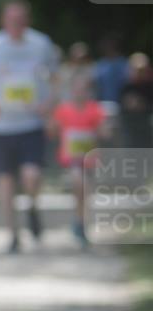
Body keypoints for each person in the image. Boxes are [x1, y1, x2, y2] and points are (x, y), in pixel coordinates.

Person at [0, 0, 59, 252]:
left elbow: (56, 77)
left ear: (28, 20)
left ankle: (33, 206)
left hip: (31, 122)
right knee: (4, 181)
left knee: (31, 176)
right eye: (12, 20)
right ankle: (12, 233)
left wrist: (49, 103)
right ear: (3, 21)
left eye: (21, 19)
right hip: (1, 126)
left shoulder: (41, 44)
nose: (16, 24)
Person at [50, 72, 109, 247]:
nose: (80, 93)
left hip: (89, 158)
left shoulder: (95, 109)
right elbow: (52, 130)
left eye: (84, 90)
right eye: (77, 90)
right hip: (71, 158)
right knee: (79, 183)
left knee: (86, 191)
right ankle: (79, 221)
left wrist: (103, 130)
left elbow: (104, 131)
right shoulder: (64, 109)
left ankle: (80, 222)